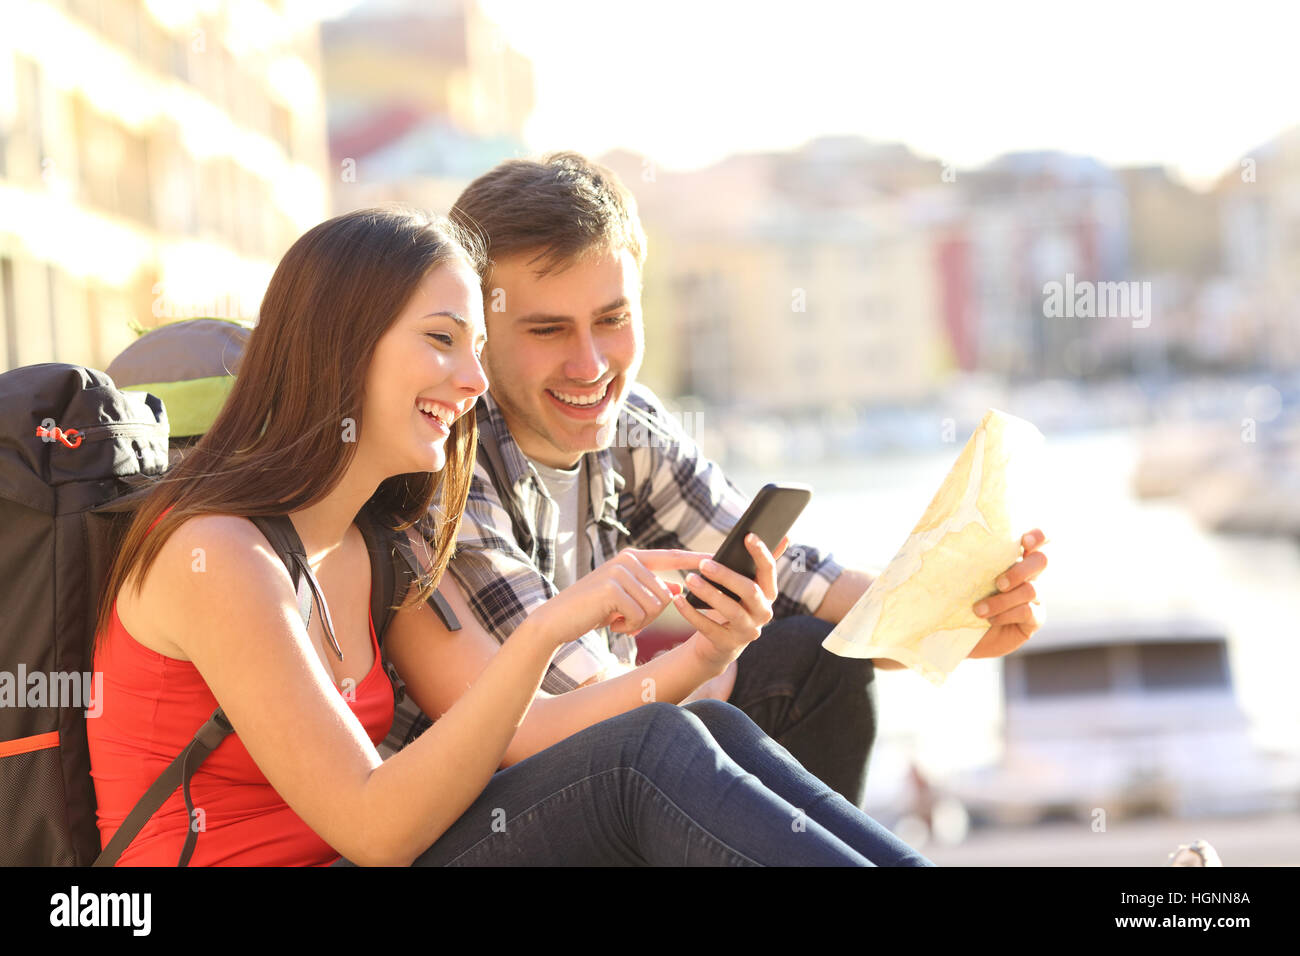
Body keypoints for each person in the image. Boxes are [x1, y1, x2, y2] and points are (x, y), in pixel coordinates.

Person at [86, 206, 935, 866]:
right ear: (341, 344)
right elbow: (376, 826)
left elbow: (517, 731)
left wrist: (697, 661)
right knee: (640, 755)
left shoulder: (373, 541)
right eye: (442, 341)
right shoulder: (218, 553)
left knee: (699, 730)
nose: (471, 377)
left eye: (479, 346)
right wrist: (547, 627)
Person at [422, 152, 1049, 808]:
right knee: (681, 732)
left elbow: (799, 578)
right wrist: (704, 673)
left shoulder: (631, 427)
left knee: (810, 660)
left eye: (613, 319)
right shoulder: (452, 458)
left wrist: (956, 620)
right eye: (548, 330)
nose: (591, 365)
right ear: (479, 334)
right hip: (500, 814)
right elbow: (574, 710)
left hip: (625, 758)